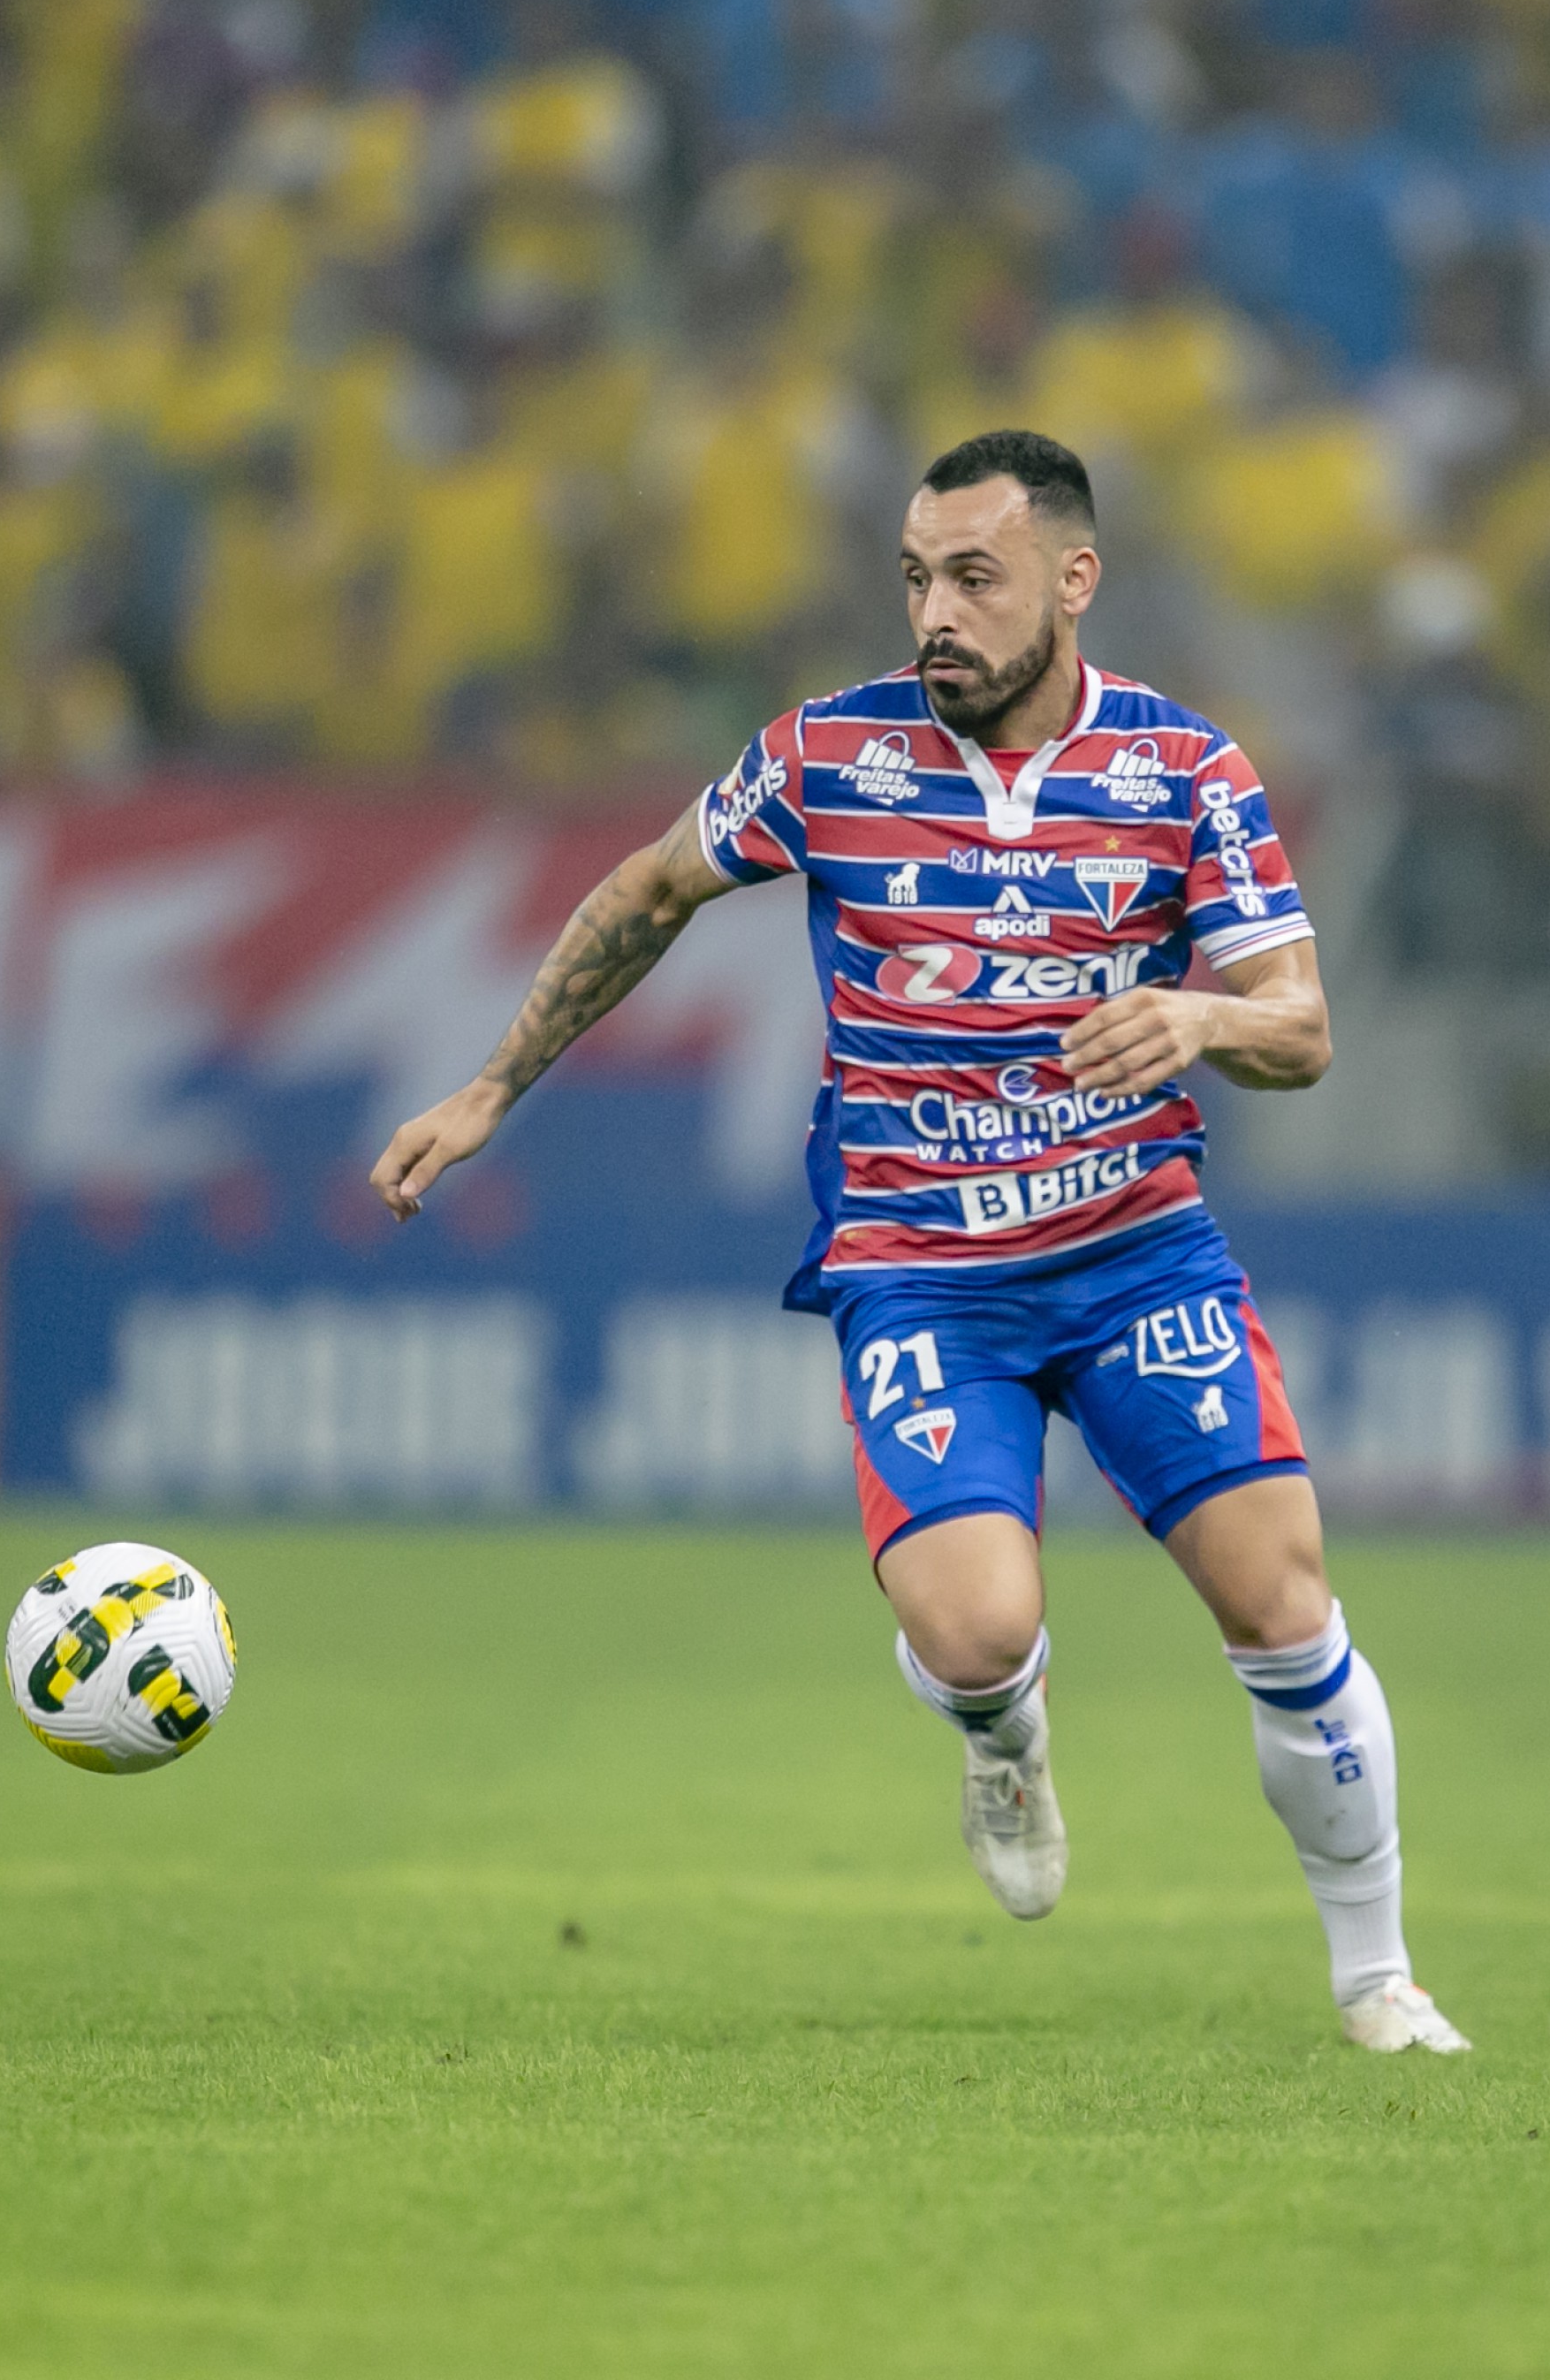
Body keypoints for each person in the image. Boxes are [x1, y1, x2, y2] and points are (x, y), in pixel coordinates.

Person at [370, 428, 1468, 2056]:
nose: (933, 615)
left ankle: (1378, 1979)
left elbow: (1302, 1027)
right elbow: (653, 891)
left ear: (1073, 582)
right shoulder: (829, 755)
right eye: (914, 579)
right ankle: (1001, 1733)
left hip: (1136, 1255)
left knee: (1284, 1605)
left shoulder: (1184, 773)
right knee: (975, 1631)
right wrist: (488, 1086)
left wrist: (1191, 1013)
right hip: (919, 1268)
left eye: (973, 577)